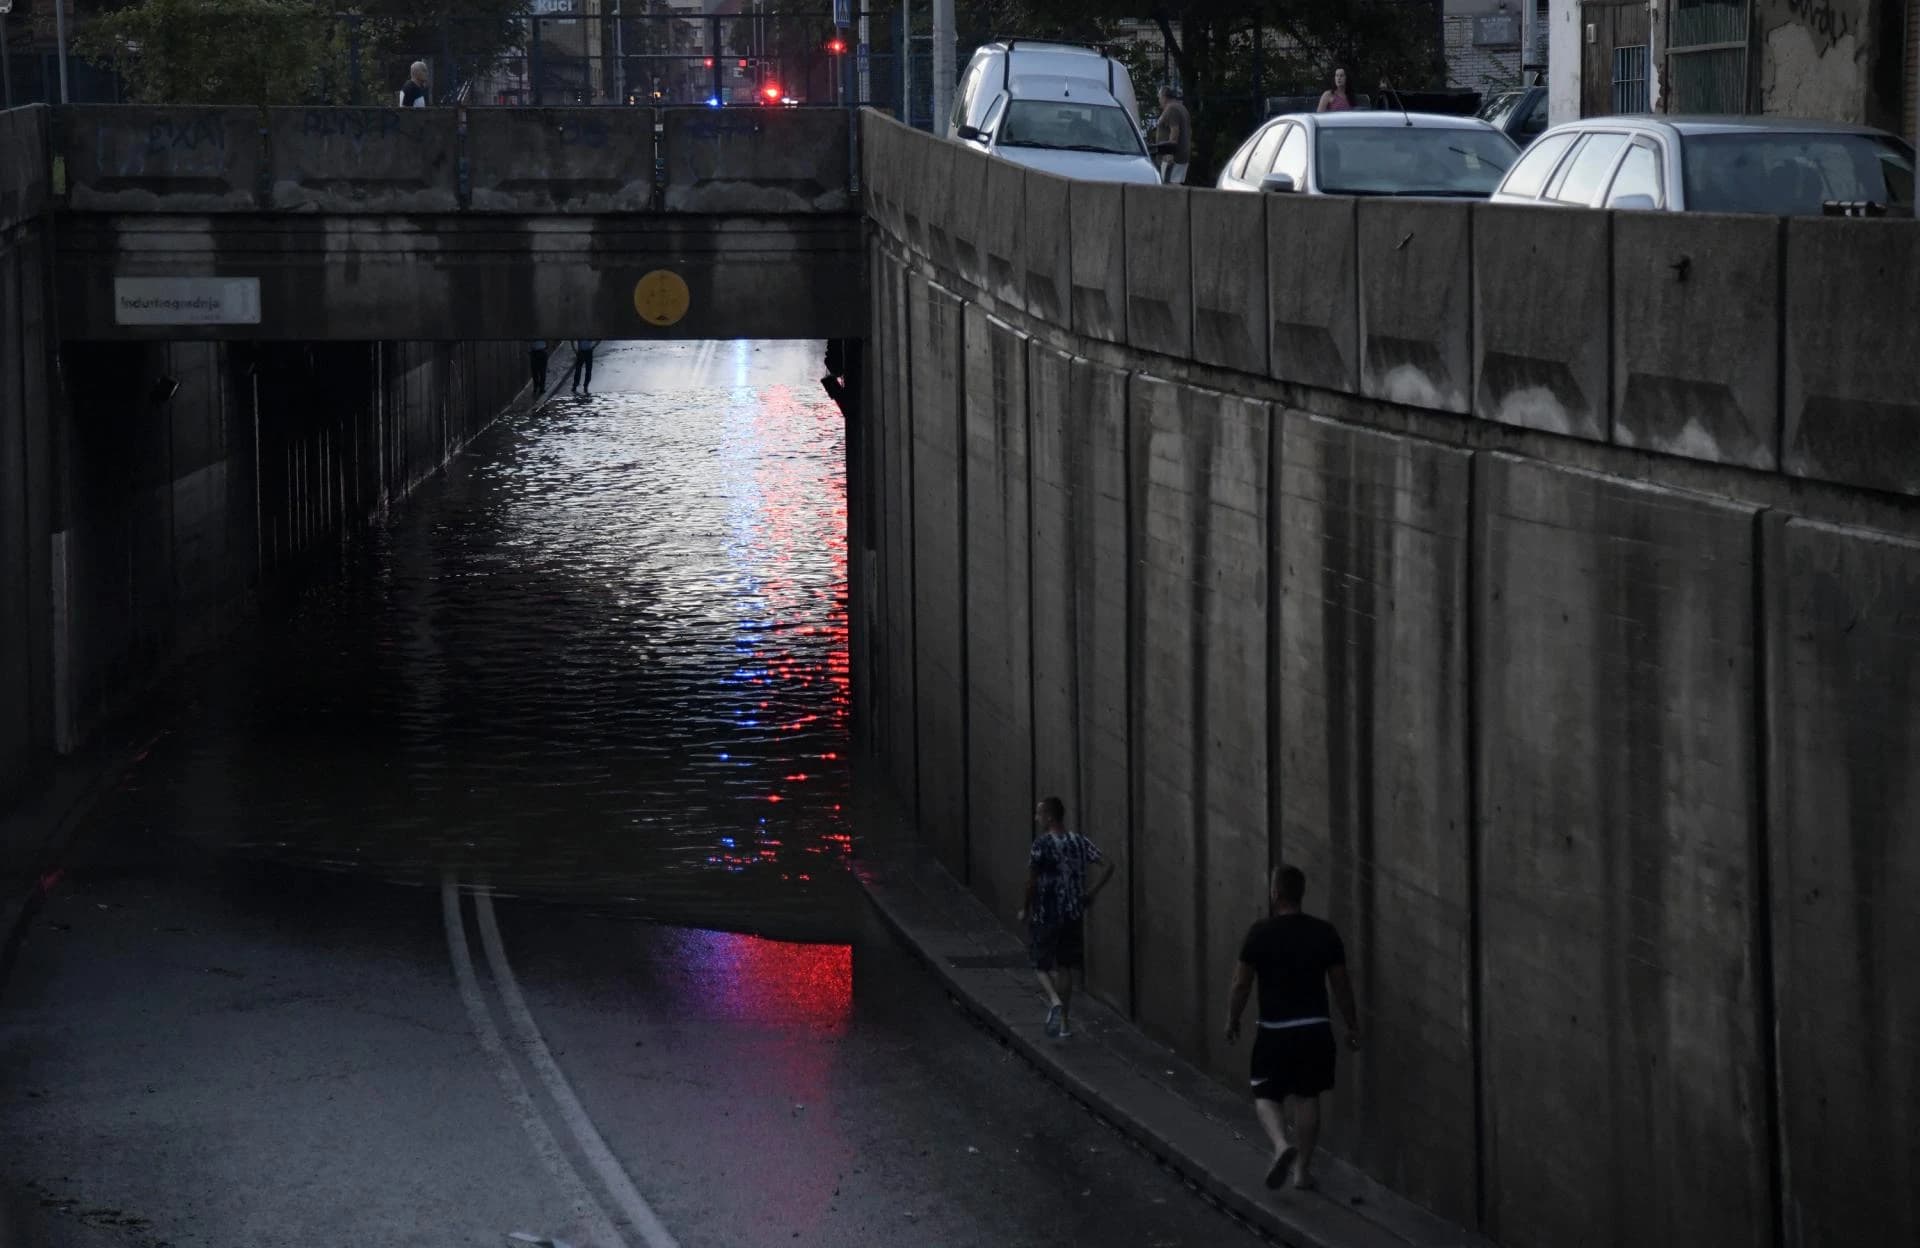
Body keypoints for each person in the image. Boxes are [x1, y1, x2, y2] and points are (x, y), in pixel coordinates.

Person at [1223, 865, 1360, 1193]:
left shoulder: (1259, 933)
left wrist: (1233, 1019)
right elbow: (1341, 984)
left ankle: (1281, 1145)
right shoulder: (1324, 932)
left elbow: (1241, 984)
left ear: (1275, 894)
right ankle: (1302, 1172)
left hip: (1275, 1029)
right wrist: (1352, 1024)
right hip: (1315, 1028)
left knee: (1265, 1094)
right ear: (1301, 894)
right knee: (1307, 1095)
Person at [1015, 796, 1112, 1039]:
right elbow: (1109, 864)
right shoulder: (1079, 842)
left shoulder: (1042, 844)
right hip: (1073, 914)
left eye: (1039, 814)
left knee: (1040, 964)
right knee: (1065, 967)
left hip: (1047, 913)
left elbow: (1031, 880)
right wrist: (1091, 893)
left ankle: (1054, 1000)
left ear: (1049, 817)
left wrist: (1024, 908)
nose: (1036, 818)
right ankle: (1065, 1024)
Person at [1151, 84, 1191, 185]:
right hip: (1182, 154)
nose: (1159, 101)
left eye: (1159, 98)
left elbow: (1174, 132)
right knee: (1175, 183)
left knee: (1169, 186)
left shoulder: (1171, 109)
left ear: (1164, 97)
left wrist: (1169, 154)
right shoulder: (1181, 107)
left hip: (1172, 157)